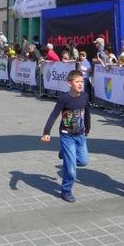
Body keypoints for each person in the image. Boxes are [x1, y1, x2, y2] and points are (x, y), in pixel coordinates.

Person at [41, 69, 90, 202]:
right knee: (71, 169)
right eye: (77, 81)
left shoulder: (85, 96)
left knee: (83, 161)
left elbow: (87, 112)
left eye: (82, 81)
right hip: (66, 135)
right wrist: (46, 132)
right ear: (69, 83)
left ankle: (64, 153)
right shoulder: (64, 99)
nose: (80, 84)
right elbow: (53, 115)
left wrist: (87, 128)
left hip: (80, 134)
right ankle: (66, 191)